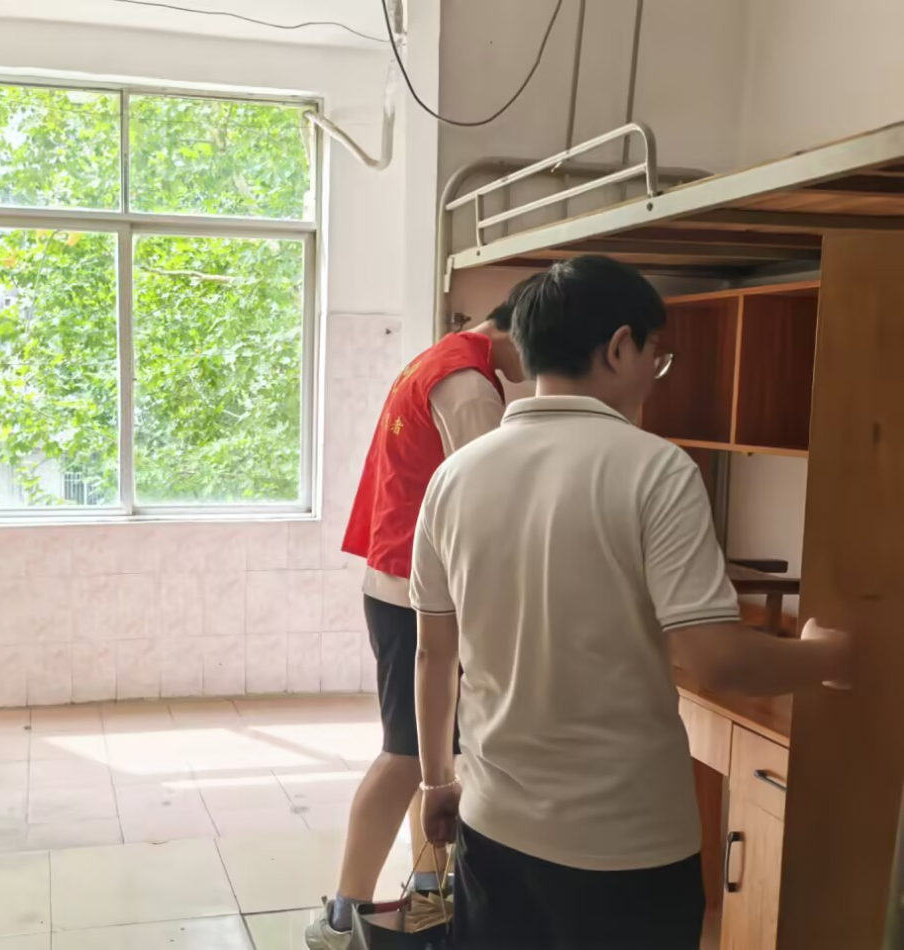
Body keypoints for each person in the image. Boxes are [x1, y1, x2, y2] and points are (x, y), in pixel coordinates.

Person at [412, 255, 852, 949]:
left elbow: (433, 655)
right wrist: (827, 656)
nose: (654, 371)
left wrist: (436, 782)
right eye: (656, 354)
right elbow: (717, 660)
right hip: (623, 848)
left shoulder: (454, 477)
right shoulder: (655, 468)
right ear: (619, 347)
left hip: (492, 831)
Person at [306, 285, 530, 949]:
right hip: (419, 594)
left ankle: (427, 890)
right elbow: (489, 507)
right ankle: (343, 916)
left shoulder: (439, 360)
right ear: (516, 331)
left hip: (397, 582)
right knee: (408, 754)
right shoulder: (469, 387)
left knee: (430, 751)